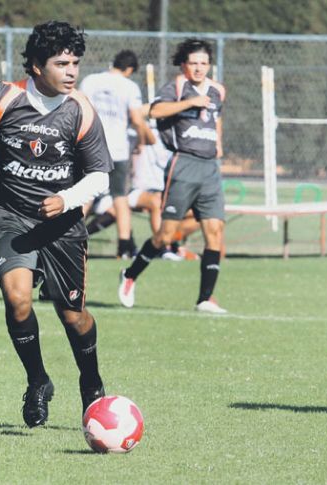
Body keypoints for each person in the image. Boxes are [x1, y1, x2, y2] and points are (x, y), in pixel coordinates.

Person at [0, 21, 112, 428]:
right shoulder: (4, 97)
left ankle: (91, 382)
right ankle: (38, 381)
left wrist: (66, 198)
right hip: (9, 214)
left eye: (75, 63)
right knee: (17, 299)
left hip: (62, 226)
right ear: (36, 66)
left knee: (73, 317)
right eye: (61, 63)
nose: (71, 71)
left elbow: (102, 175)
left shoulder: (81, 110)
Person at [118, 38, 228, 313]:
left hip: (209, 167)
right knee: (166, 235)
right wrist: (190, 102)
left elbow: (217, 119)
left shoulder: (218, 91)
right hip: (184, 164)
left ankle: (205, 298)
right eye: (194, 63)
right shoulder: (177, 87)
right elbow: (155, 111)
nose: (199, 68)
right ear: (184, 65)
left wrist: (218, 146)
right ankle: (130, 275)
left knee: (215, 232)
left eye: (204, 63)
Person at [85, 105, 201, 260]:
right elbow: (143, 124)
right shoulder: (143, 132)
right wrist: (156, 109)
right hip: (135, 190)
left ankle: (172, 241)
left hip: (163, 192)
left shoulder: (177, 139)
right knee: (155, 202)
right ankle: (163, 249)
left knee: (201, 213)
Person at [80, 50, 149, 259]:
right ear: (129, 69)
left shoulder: (91, 81)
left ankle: (67, 237)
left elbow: (79, 109)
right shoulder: (129, 87)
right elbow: (137, 120)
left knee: (85, 194)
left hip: (91, 146)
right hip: (117, 150)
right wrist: (142, 141)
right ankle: (124, 245)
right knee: (120, 196)